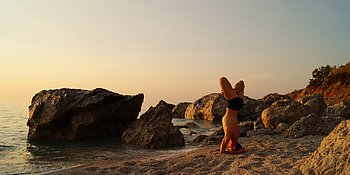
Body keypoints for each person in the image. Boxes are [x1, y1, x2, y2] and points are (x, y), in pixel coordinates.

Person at [219, 77, 246, 154]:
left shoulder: (237, 134)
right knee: (222, 79)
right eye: (229, 146)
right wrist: (234, 152)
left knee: (241, 83)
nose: (228, 145)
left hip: (238, 106)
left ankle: (233, 91)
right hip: (232, 105)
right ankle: (232, 91)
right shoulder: (229, 133)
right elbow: (222, 151)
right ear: (232, 145)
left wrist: (237, 151)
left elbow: (223, 151)